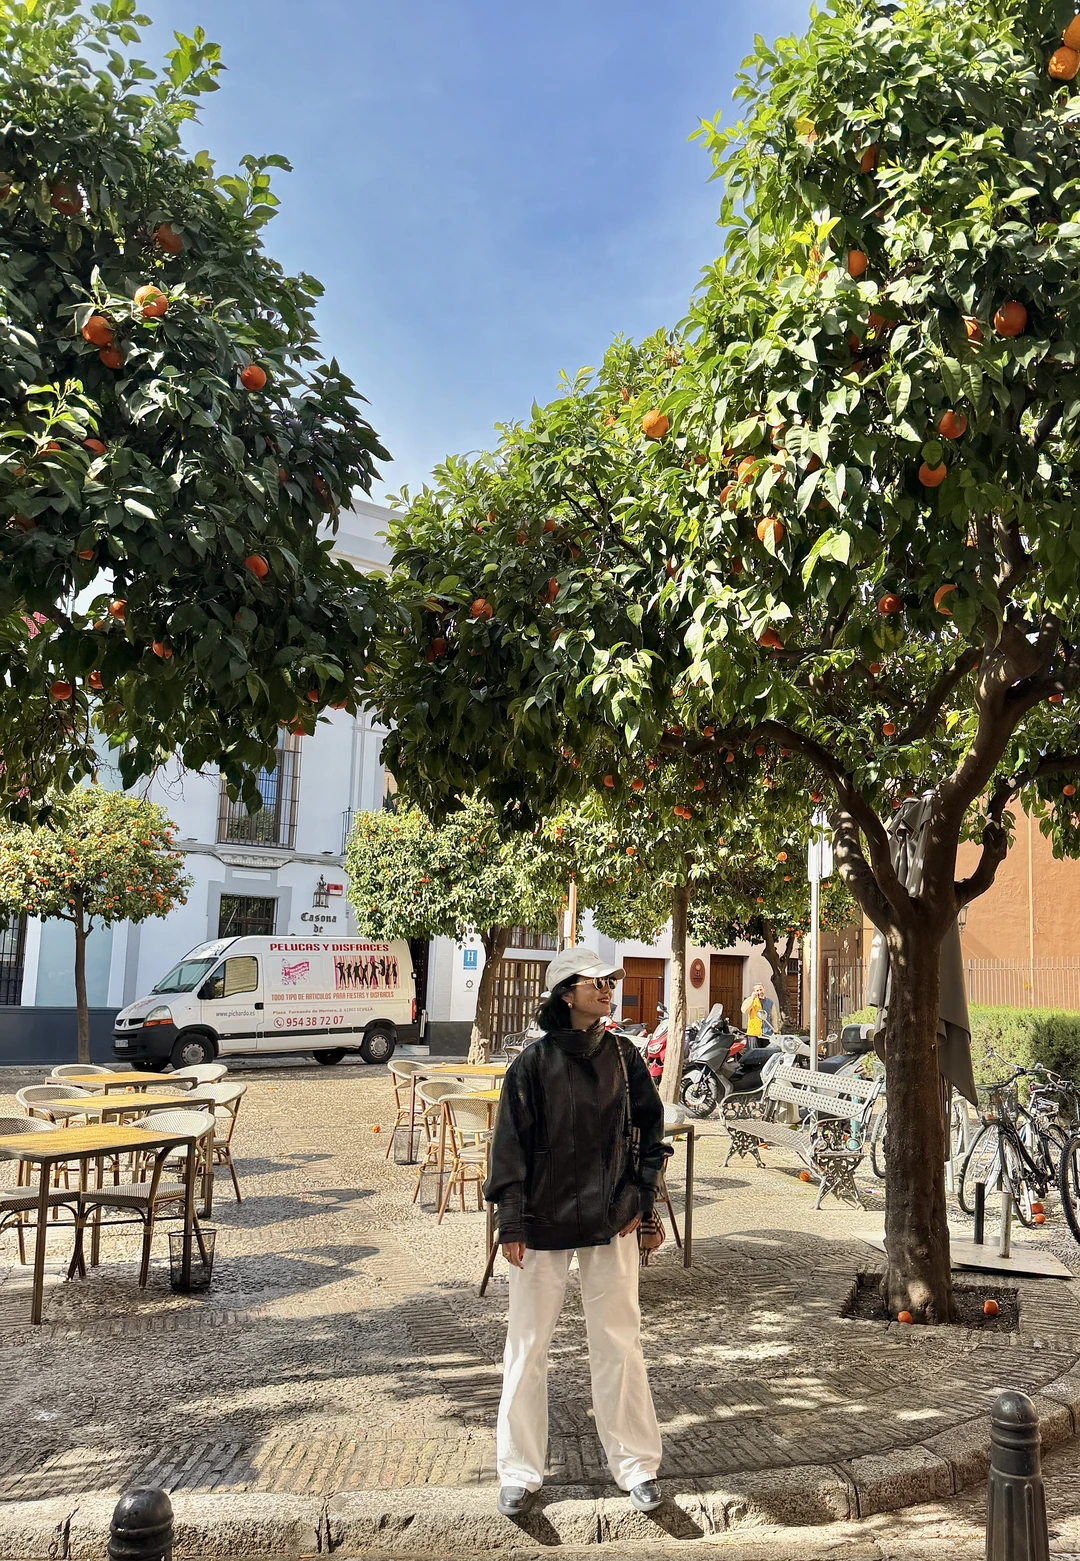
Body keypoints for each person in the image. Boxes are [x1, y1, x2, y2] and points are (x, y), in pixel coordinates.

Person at [484, 947, 671, 1519]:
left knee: (619, 1341)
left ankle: (636, 1466)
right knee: (527, 1345)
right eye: (597, 981)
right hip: (540, 1221)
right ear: (567, 993)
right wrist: (510, 1220)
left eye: (611, 980)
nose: (608, 988)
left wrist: (642, 1199)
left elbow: (650, 1131)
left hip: (612, 1216)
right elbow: (509, 1146)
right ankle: (519, 1471)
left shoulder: (624, 1057)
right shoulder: (531, 1065)